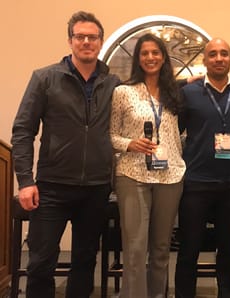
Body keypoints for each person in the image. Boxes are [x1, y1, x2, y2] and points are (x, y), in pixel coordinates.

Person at [10, 11, 120, 298]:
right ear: (70, 41)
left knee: (85, 262)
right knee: (40, 262)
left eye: (92, 37)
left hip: (96, 188)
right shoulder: (45, 78)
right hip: (51, 188)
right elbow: (22, 130)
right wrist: (25, 181)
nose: (86, 41)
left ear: (100, 41)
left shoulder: (113, 83)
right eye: (80, 36)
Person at [109, 33, 186, 297]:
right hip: (133, 175)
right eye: (145, 53)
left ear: (164, 57)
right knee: (135, 248)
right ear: (138, 59)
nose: (150, 57)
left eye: (155, 52)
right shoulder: (123, 92)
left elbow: (179, 135)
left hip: (170, 176)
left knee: (162, 249)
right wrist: (129, 144)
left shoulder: (175, 94)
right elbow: (110, 135)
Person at [174, 38, 230, 298]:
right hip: (195, 184)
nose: (219, 58)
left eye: (224, 54)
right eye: (213, 54)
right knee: (189, 250)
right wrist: (182, 83)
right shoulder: (188, 93)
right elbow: (172, 131)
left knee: (228, 251)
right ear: (204, 61)